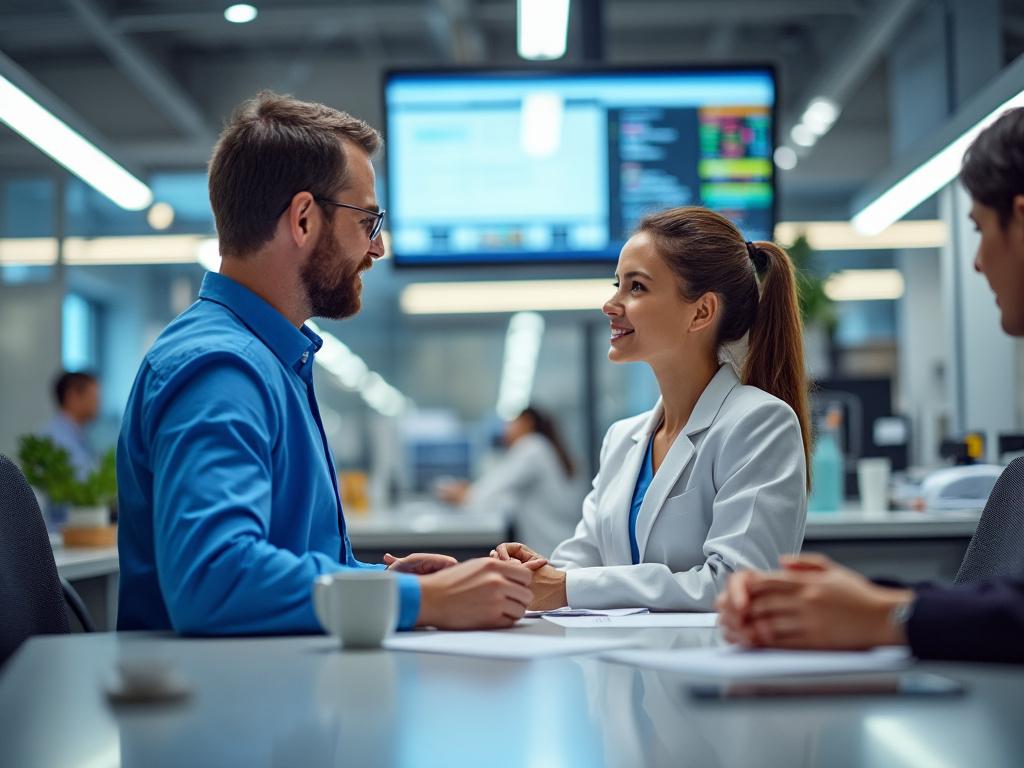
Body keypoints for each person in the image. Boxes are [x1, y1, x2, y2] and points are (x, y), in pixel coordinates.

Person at [116, 92, 533, 635]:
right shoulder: (221, 370)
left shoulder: (268, 359)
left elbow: (269, 556)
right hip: (219, 707)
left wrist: (375, 587)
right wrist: (419, 600)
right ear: (305, 219)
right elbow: (214, 579)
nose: (377, 248)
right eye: (368, 220)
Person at [716, 107, 1024, 663]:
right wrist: (871, 598)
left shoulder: (757, 418)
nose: (976, 263)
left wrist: (889, 614)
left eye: (979, 230)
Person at [493, 206, 811, 611]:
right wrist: (525, 577)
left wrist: (567, 585)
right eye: (617, 284)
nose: (611, 304)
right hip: (622, 667)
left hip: (712, 670)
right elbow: (581, 564)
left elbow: (739, 584)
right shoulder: (623, 438)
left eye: (636, 287)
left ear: (701, 312)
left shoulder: (759, 423)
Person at [437, 406, 581, 557]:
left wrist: (466, 495)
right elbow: (507, 495)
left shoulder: (532, 447)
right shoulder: (542, 446)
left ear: (526, 422)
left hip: (550, 547)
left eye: (511, 422)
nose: (505, 428)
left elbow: (494, 487)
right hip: (557, 542)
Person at [44, 370, 100, 480]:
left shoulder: (76, 434)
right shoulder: (56, 439)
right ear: (73, 397)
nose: (98, 403)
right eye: (93, 396)